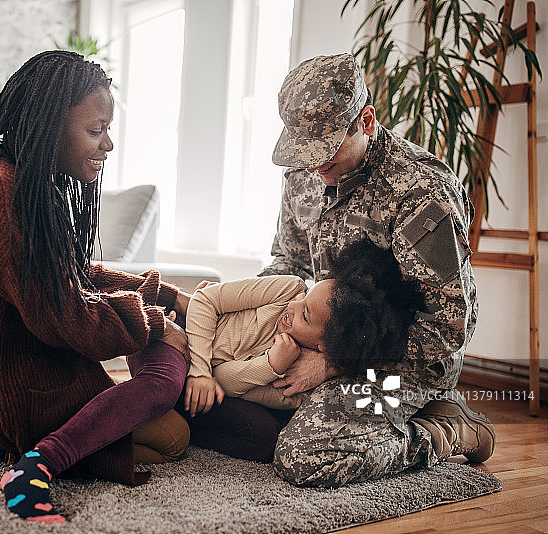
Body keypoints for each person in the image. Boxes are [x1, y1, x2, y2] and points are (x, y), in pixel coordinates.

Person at [0, 51, 193, 524]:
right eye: (95, 130)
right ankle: (7, 442)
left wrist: (161, 294)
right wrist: (156, 326)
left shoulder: (11, 172)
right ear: (48, 125)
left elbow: (69, 272)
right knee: (173, 437)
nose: (109, 145)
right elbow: (64, 314)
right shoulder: (0, 189)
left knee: (151, 403)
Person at [183, 53, 494, 487]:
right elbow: (287, 263)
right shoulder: (304, 171)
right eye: (304, 155)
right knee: (203, 381)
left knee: (304, 457)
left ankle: (443, 429)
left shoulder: (422, 193)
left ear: (366, 122)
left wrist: (334, 365)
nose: (313, 168)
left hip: (400, 362)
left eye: (325, 155)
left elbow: (445, 329)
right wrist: (242, 315)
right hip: (313, 332)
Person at [183, 239, 426, 426]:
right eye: (305, 296)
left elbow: (223, 381)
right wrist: (200, 372)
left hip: (196, 377)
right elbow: (204, 299)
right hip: (189, 330)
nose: (294, 305)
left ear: (324, 345)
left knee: (261, 437)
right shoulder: (289, 289)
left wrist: (271, 366)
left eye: (305, 315)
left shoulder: (299, 384)